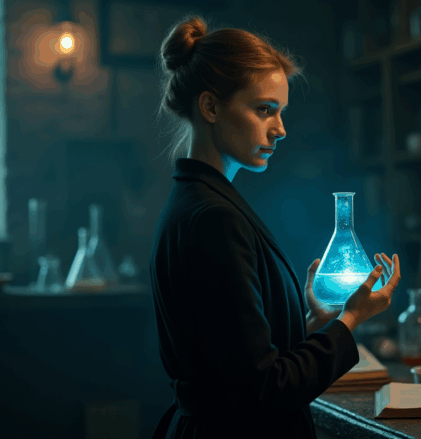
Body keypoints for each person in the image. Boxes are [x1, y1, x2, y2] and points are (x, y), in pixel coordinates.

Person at [149, 14, 402, 439]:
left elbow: (229, 356)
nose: (280, 129)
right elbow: (260, 389)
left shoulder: (197, 199)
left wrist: (303, 323)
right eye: (264, 110)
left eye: (280, 112)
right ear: (210, 107)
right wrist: (351, 320)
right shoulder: (213, 217)